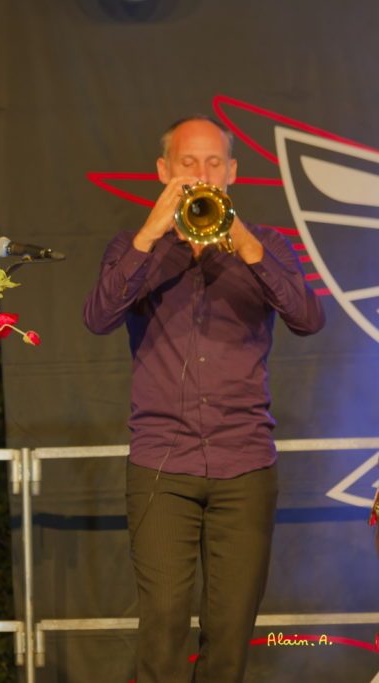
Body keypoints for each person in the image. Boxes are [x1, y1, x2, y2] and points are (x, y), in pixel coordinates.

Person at [83, 116, 325, 681]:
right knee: (163, 628)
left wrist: (246, 246)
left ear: (233, 173)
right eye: (188, 163)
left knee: (229, 636)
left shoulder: (267, 246)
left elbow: (309, 318)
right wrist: (150, 236)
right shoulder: (132, 247)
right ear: (164, 172)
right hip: (162, 466)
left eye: (214, 162)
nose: (202, 173)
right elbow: (97, 318)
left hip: (245, 466)